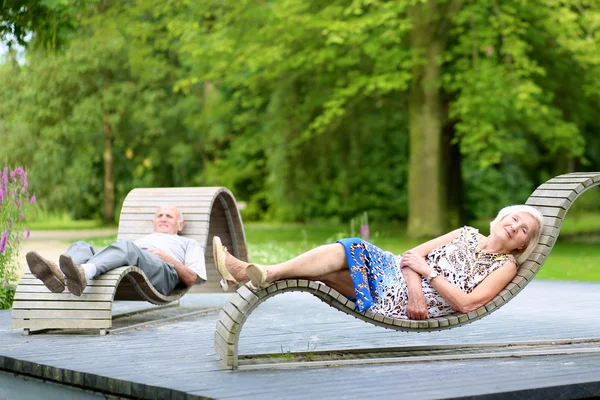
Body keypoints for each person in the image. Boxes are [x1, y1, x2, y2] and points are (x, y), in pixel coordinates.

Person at [213, 205, 543, 319]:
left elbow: (468, 304)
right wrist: (416, 282)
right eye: (513, 218)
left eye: (522, 229)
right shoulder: (466, 233)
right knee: (345, 255)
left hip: (415, 301)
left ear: (523, 244)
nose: (513, 226)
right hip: (399, 278)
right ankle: (263, 272)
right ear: (500, 218)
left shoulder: (505, 266)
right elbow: (413, 255)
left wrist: (423, 278)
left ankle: (256, 272)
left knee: (336, 267)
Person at [26, 205, 206, 296]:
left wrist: (168, 258)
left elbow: (192, 278)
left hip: (164, 272)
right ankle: (57, 272)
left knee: (127, 246)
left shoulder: (189, 243)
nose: (163, 219)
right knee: (81, 246)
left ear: (180, 224)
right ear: (153, 222)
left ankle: (83, 273)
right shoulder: (143, 240)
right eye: (160, 215)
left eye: (169, 216)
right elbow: (125, 251)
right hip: (137, 258)